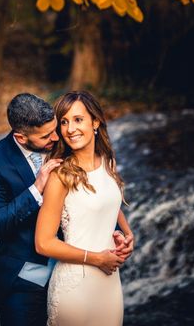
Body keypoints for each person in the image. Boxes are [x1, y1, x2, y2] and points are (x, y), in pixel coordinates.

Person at [35, 91, 134, 326]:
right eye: (64, 122)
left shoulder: (108, 162)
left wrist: (128, 234)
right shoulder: (60, 176)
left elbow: (107, 201)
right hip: (75, 288)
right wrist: (97, 258)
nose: (70, 129)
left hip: (110, 284)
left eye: (78, 119)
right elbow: (43, 243)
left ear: (95, 122)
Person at [0, 93, 63, 326]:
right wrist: (36, 188)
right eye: (46, 135)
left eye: (55, 129)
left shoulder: (62, 142)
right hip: (23, 281)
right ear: (21, 137)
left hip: (70, 272)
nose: (56, 137)